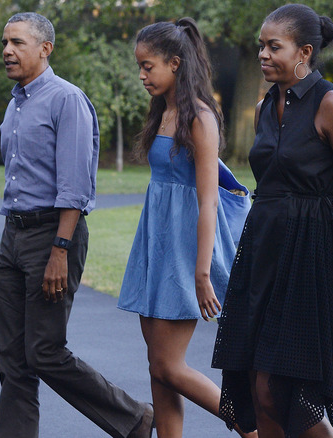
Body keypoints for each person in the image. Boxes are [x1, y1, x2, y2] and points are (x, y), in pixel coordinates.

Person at [211, 4, 333, 437]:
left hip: (316, 253)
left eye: (273, 46)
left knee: (283, 388)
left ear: (304, 52)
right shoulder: (264, 104)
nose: (262, 54)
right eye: (261, 45)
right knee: (258, 387)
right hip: (264, 248)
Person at [0, 12, 153, 438]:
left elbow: (77, 186)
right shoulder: (15, 102)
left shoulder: (67, 100)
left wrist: (59, 250)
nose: (7, 50)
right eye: (5, 42)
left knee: (44, 352)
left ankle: (134, 418)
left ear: (45, 49)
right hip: (13, 235)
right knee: (11, 358)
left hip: (52, 236)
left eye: (18, 43)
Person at [117, 18, 255, 438]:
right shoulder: (164, 110)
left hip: (183, 248)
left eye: (148, 66)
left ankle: (252, 427)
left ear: (175, 63)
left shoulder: (199, 116)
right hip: (155, 243)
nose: (142, 75)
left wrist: (200, 271)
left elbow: (208, 199)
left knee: (168, 365)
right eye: (139, 66)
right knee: (157, 368)